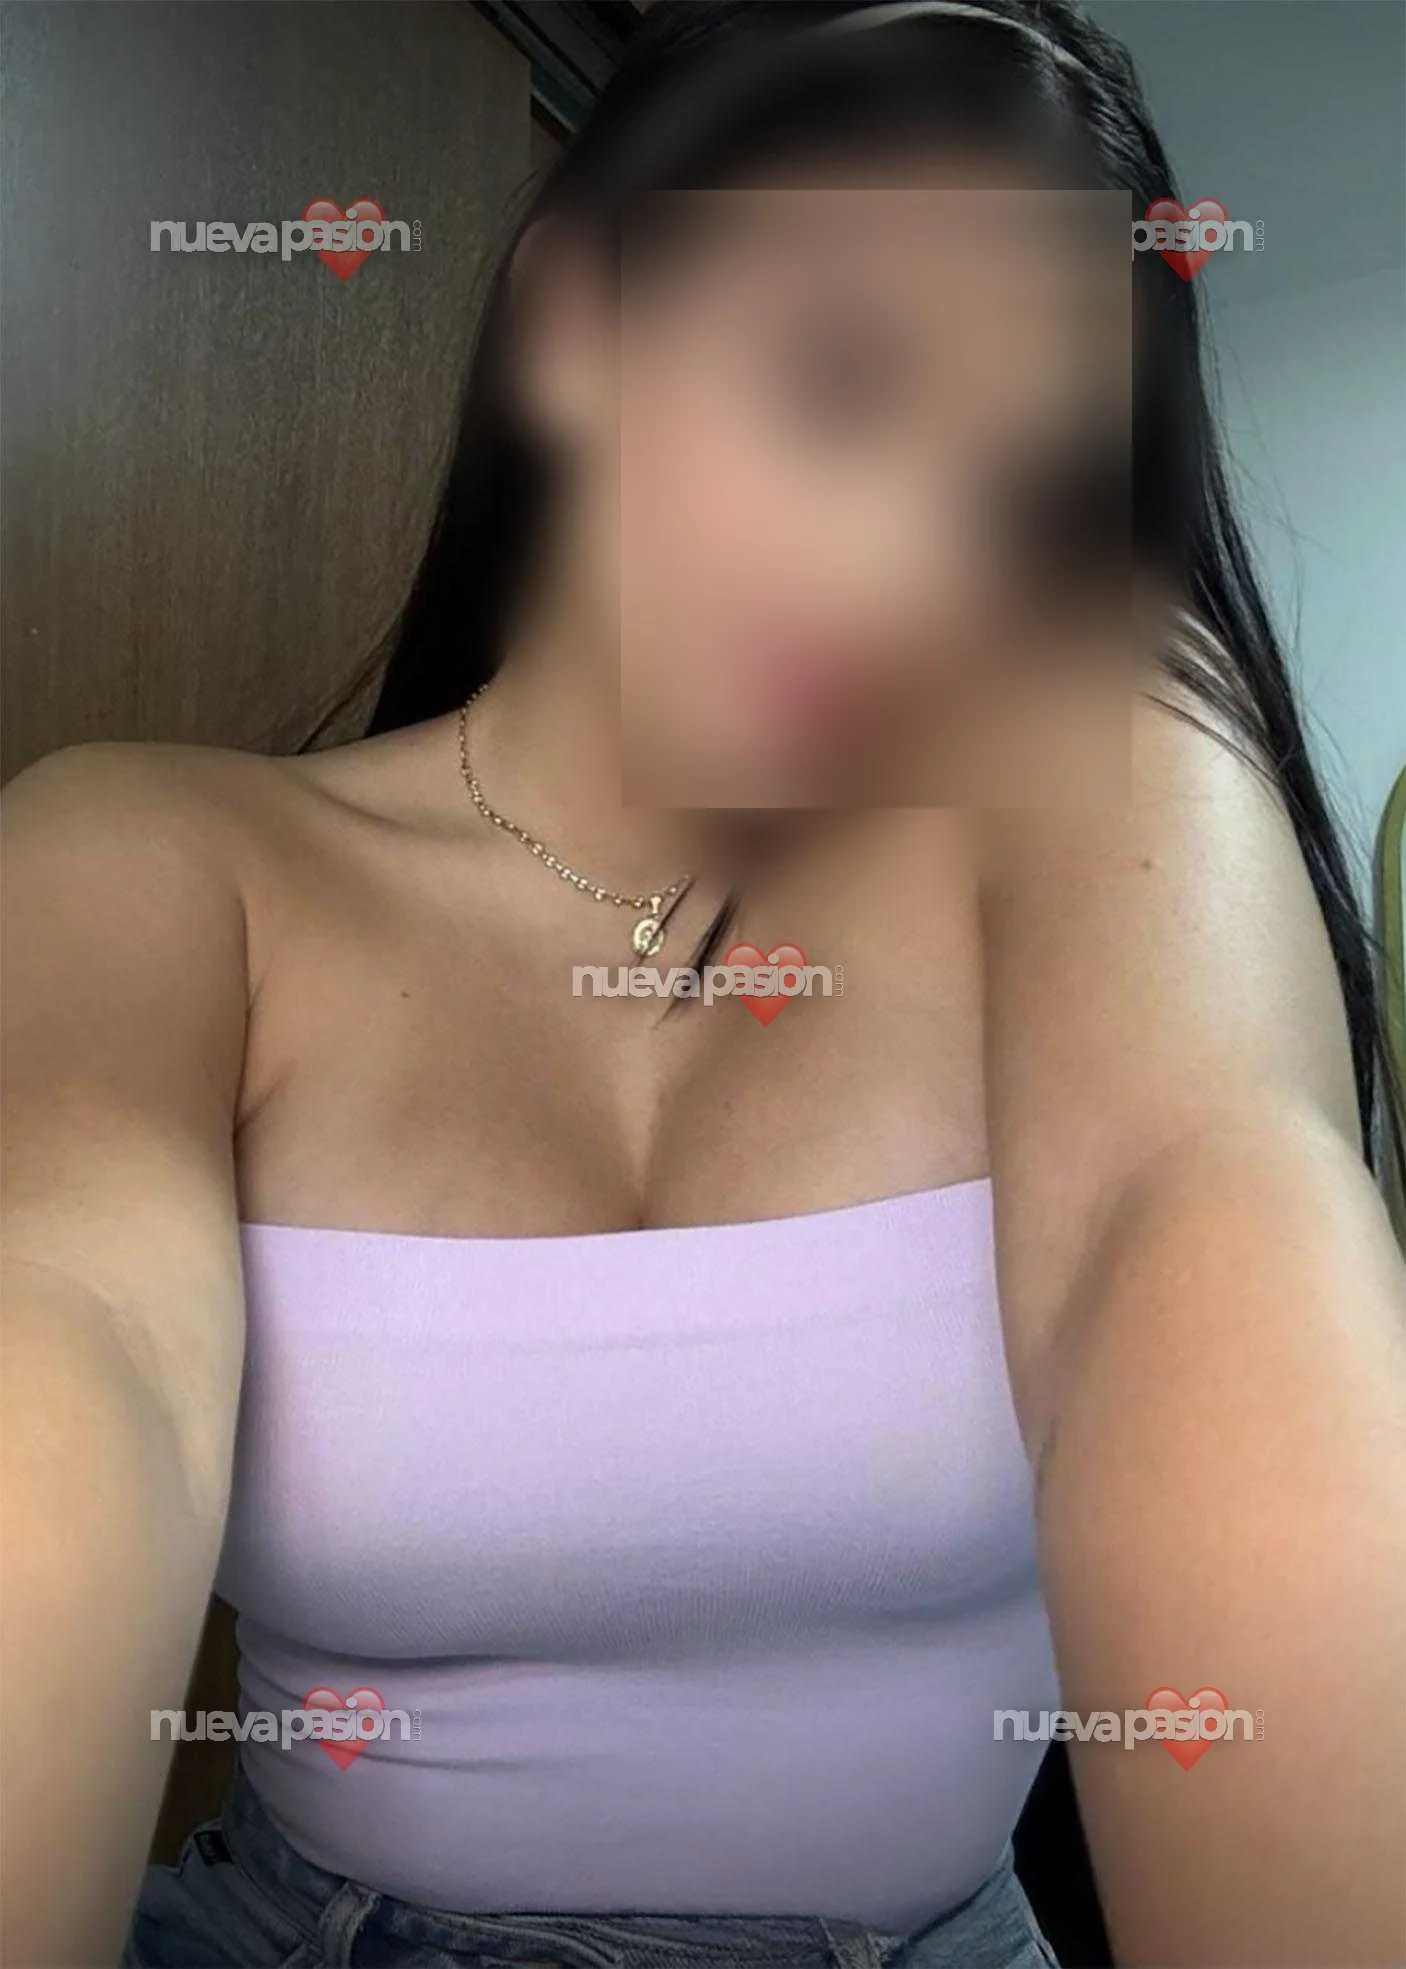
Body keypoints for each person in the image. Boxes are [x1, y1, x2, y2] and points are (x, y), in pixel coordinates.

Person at [3, 4, 1404, 1966]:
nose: (905, 562)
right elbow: (72, 1344)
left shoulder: (1095, 806)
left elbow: (1201, 1214)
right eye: (836, 382)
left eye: (1018, 499)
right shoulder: (152, 860)